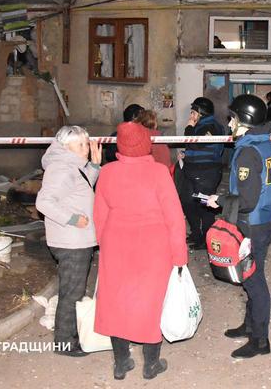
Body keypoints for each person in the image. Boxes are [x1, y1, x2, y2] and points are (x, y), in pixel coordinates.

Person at [94, 122, 187, 380]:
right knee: (151, 303)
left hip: (116, 245)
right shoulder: (158, 173)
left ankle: (122, 362)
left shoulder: (107, 172)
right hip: (153, 248)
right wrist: (179, 255)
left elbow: (99, 214)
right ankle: (151, 364)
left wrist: (103, 242)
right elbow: (174, 217)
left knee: (116, 302)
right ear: (146, 144)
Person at [206, 94, 271, 359]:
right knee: (252, 277)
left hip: (252, 225)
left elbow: (248, 200)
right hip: (264, 221)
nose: (229, 124)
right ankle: (249, 326)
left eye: (233, 119)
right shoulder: (267, 146)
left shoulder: (248, 153)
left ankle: (260, 341)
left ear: (246, 121)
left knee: (254, 282)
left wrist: (221, 200)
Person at [35, 125, 102, 357]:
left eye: (86, 143)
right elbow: (43, 202)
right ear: (67, 147)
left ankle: (70, 336)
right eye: (81, 145)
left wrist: (94, 165)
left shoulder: (72, 165)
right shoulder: (61, 168)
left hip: (77, 240)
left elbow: (80, 188)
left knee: (74, 289)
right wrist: (73, 219)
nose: (86, 148)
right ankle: (64, 343)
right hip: (70, 241)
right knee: (71, 292)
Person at [179, 97, 225, 249]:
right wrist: (186, 155)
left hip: (207, 172)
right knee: (186, 200)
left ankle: (206, 239)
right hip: (192, 170)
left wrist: (189, 127)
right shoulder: (201, 125)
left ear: (201, 112)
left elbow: (198, 143)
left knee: (205, 206)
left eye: (193, 112)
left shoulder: (212, 126)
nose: (191, 116)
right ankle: (196, 233)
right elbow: (195, 147)